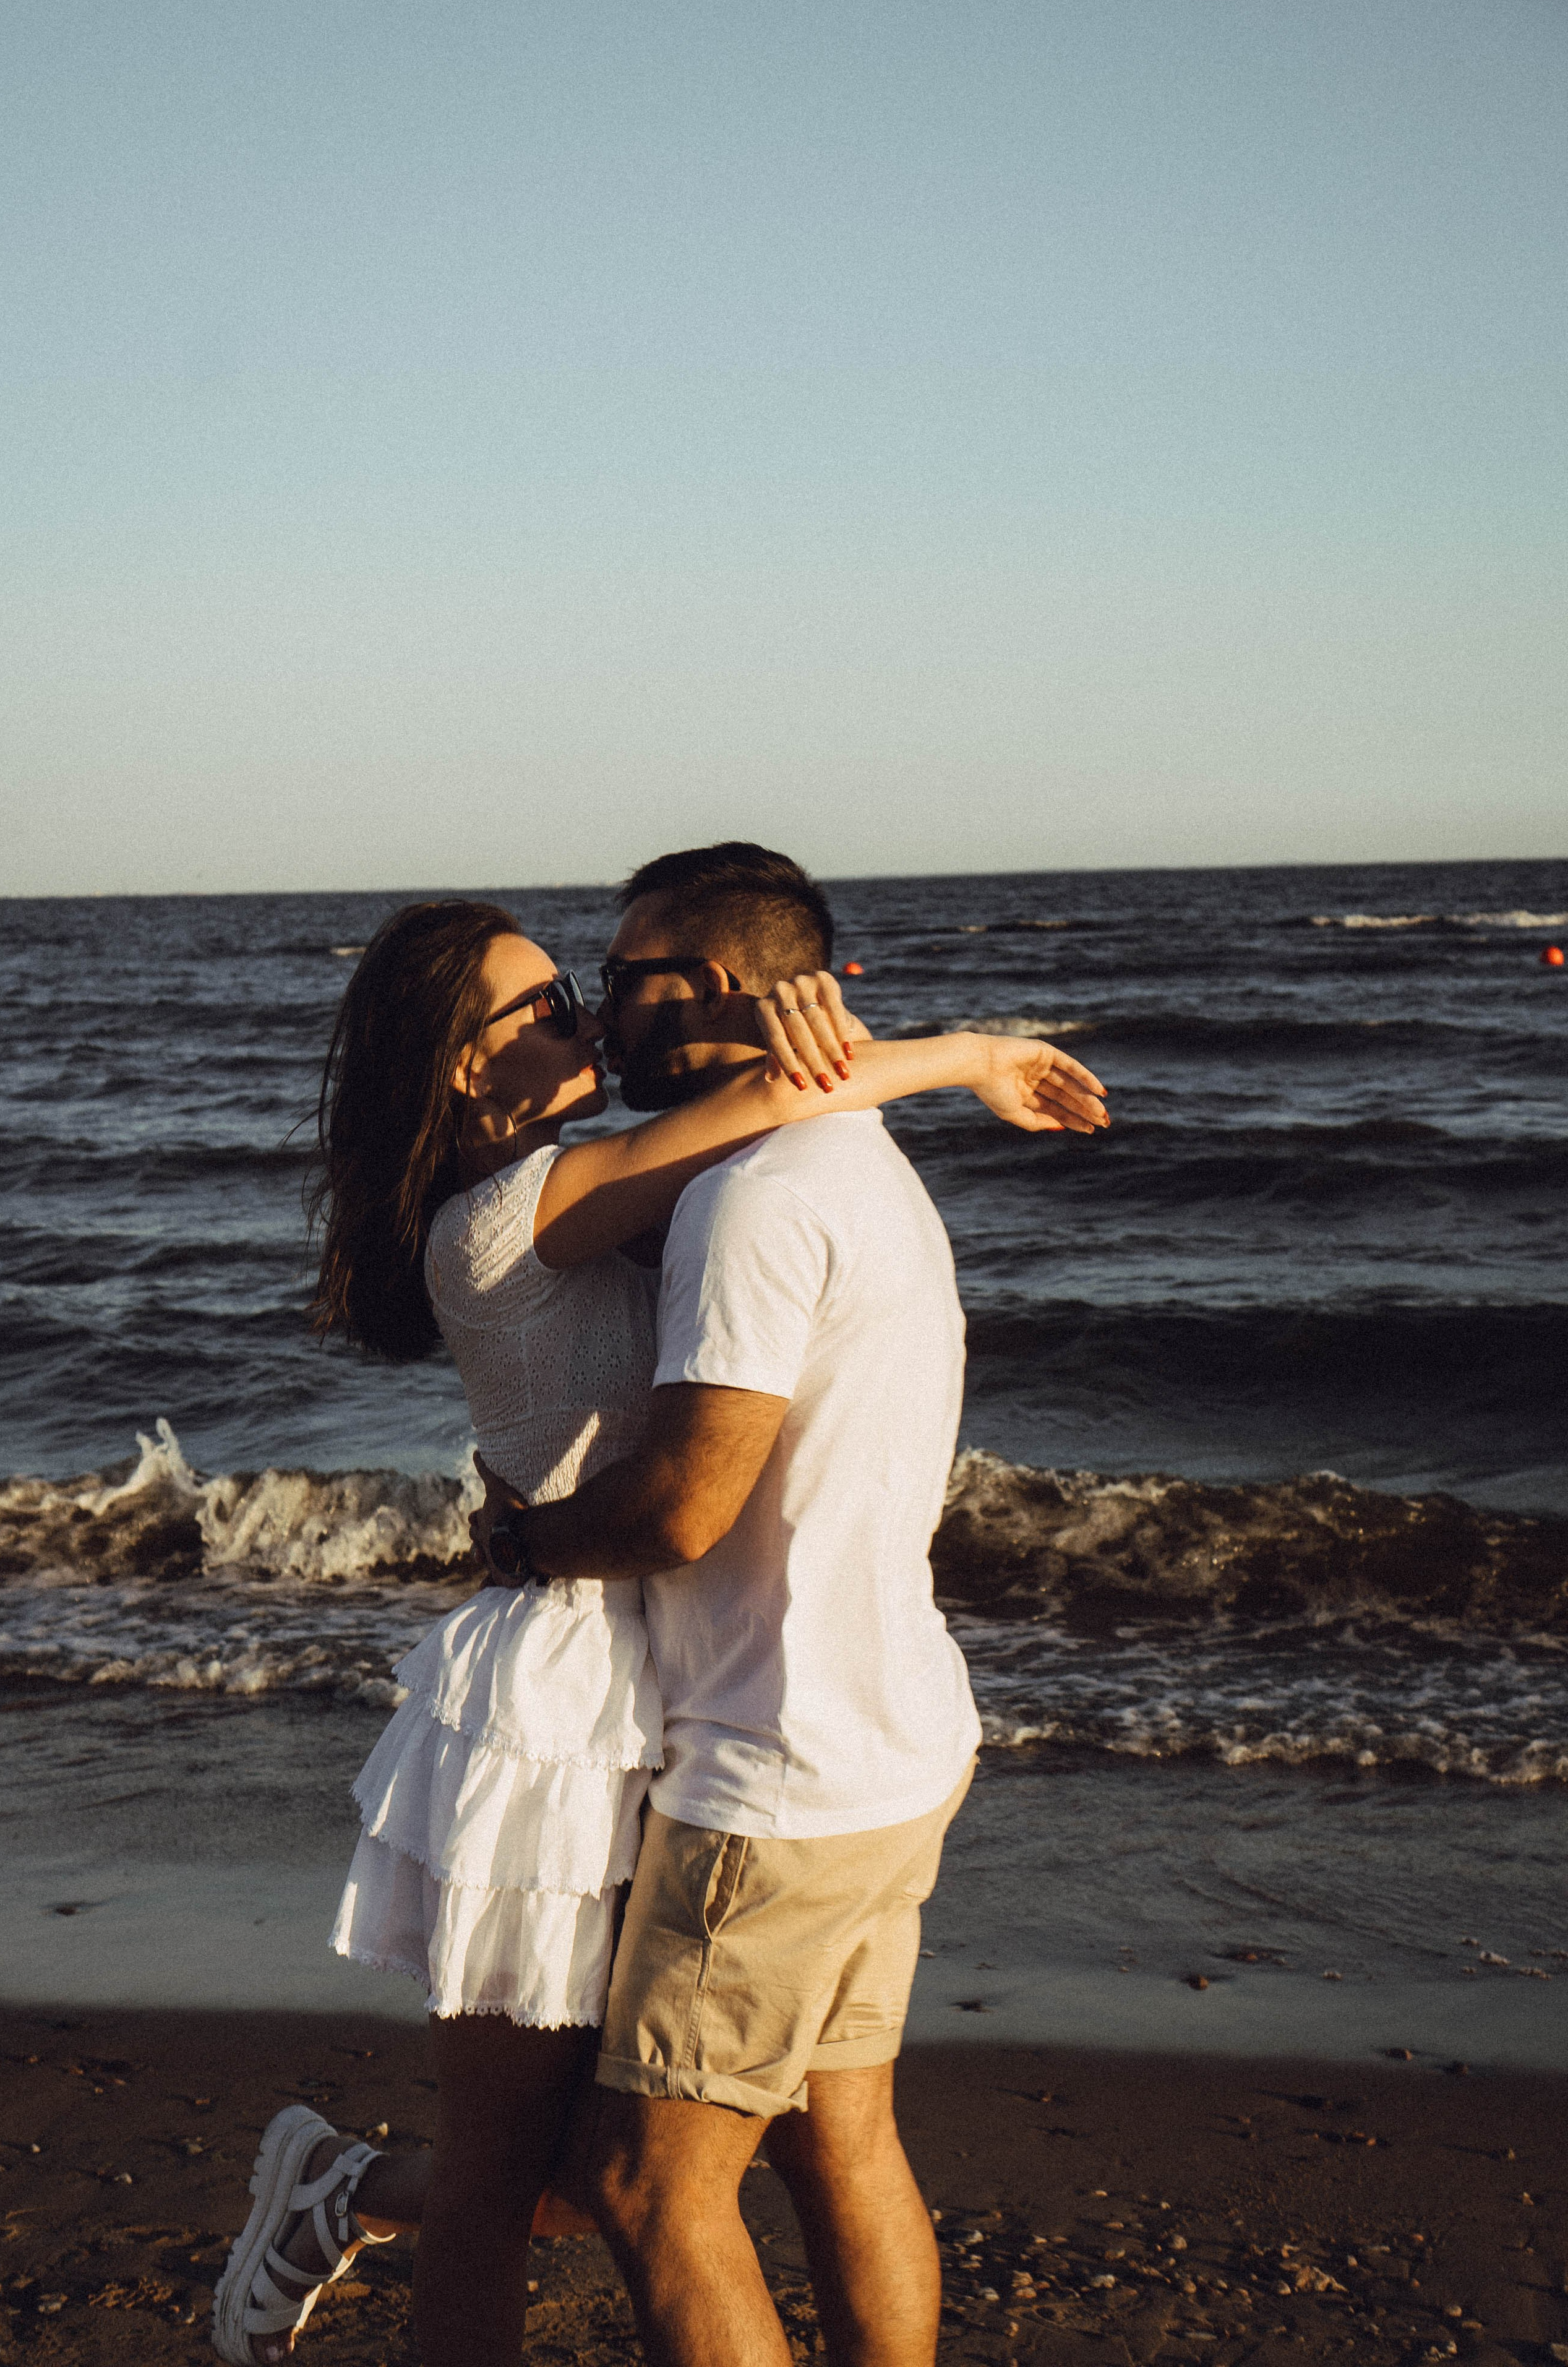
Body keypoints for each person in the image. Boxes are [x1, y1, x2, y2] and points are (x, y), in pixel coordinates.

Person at [211, 876, 1108, 2367]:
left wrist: (823, 1036)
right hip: (559, 1699)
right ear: (455, 1061)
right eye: (543, 1002)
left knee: (635, 2156)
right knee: (525, 2174)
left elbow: (767, 1113)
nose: (577, 1015)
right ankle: (343, 2191)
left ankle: (341, 2190)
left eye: (584, 987)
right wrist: (963, 1053)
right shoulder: (511, 1216)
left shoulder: (619, 1192)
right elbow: (738, 1123)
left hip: (673, 1689)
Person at [472, 842, 1101, 2367]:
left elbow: (688, 1505)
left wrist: (528, 1546)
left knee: (647, 2185)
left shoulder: (750, 1198)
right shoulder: (860, 1163)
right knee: (838, 2137)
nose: (602, 1012)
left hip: (775, 1772)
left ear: (702, 989)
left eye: (619, 980)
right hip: (898, 1741)